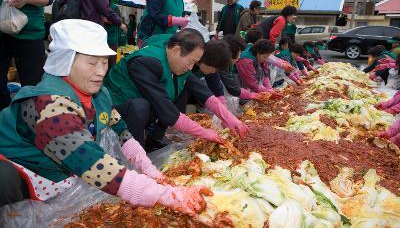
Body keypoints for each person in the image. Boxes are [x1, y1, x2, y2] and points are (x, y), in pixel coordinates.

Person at [0, 19, 211, 215]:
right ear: (65, 62)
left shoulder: (98, 95)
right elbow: (93, 165)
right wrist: (167, 195)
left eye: (104, 62)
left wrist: (149, 170)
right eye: (92, 63)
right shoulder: (47, 104)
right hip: (21, 171)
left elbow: (122, 132)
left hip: (57, 174)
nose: (101, 71)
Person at [104, 30, 249, 152]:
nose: (192, 68)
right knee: (141, 106)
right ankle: (134, 156)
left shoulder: (176, 60)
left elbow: (202, 91)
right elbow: (166, 111)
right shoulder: (145, 63)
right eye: (191, 61)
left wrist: (230, 118)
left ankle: (153, 141)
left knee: (175, 92)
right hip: (114, 111)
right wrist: (205, 133)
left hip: (142, 104)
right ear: (176, 50)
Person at [0, 0, 53, 110]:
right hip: (1, 33)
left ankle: (28, 127)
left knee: (32, 87)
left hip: (30, 33)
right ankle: (4, 119)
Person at [204, 35, 268, 102]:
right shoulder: (219, 65)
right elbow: (232, 88)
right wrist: (251, 95)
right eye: (239, 54)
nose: (239, 57)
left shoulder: (223, 64)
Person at [102, 0, 121, 70]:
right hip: (101, 39)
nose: (105, 0)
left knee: (111, 62)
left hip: (112, 39)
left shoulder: (115, 8)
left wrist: (106, 20)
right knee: (102, 62)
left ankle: (110, 80)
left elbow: (117, 21)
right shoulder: (100, 7)